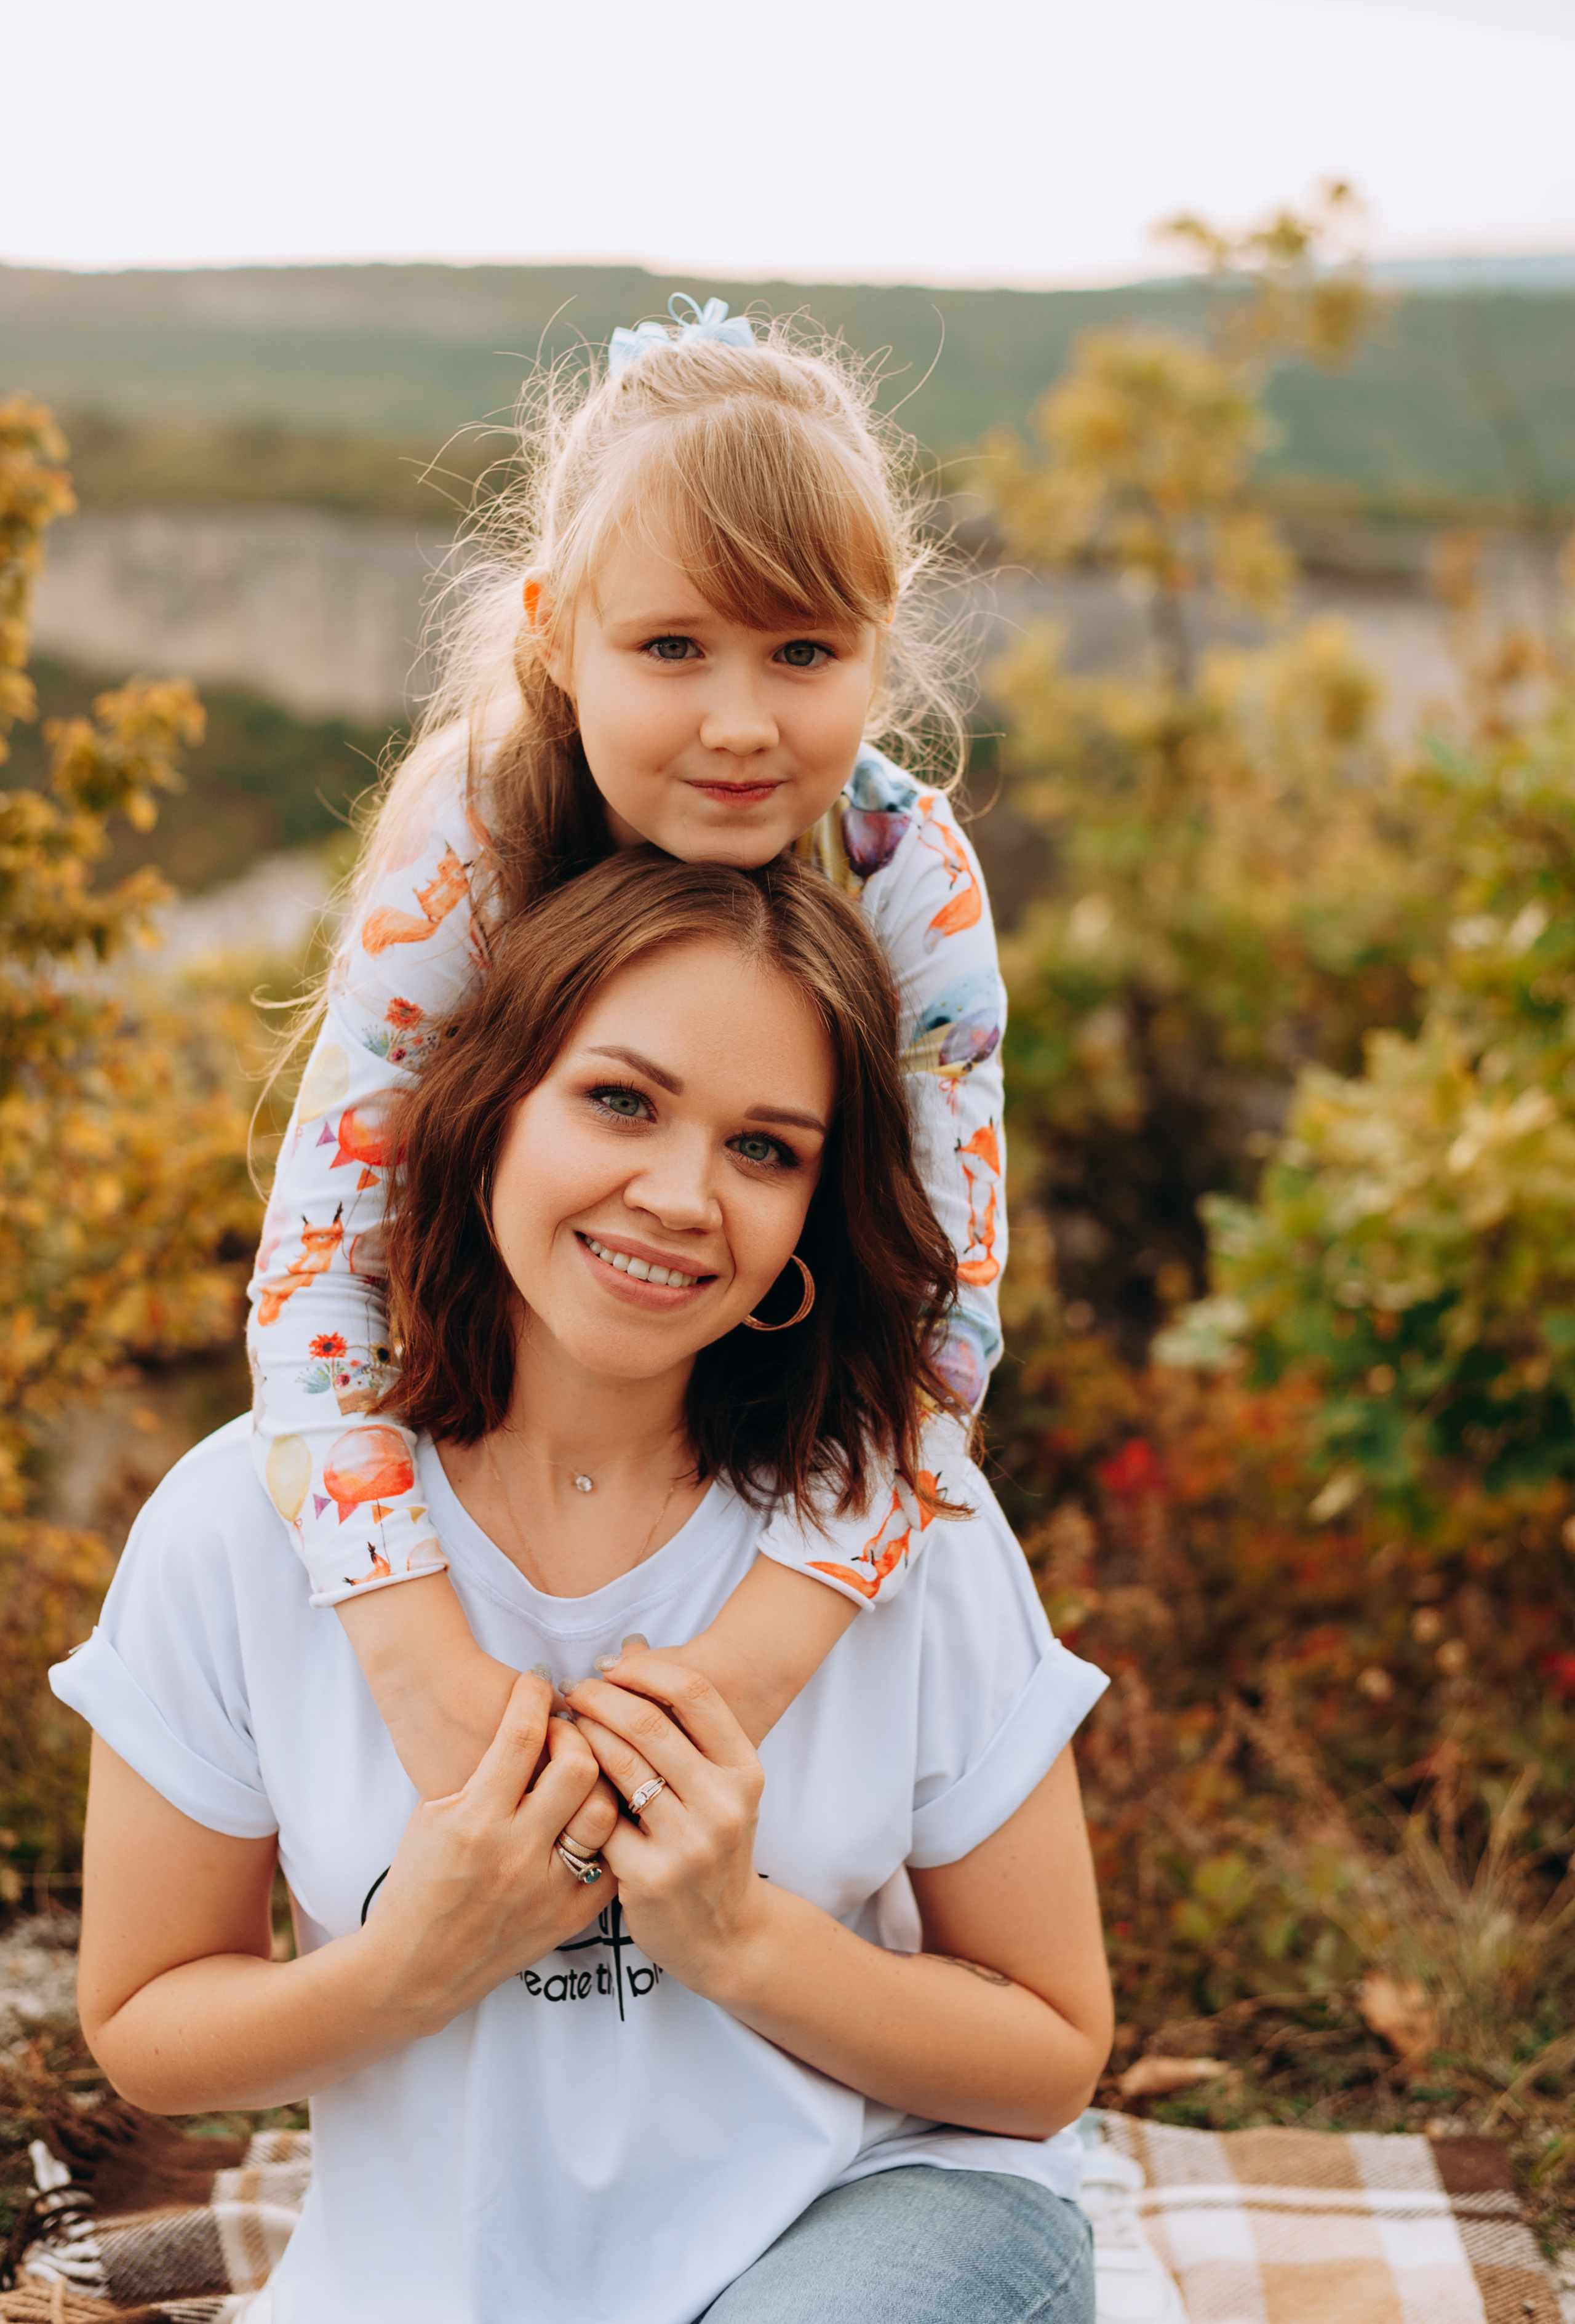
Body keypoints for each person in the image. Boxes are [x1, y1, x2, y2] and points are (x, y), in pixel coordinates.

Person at [57, 853, 1110, 2324]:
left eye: (765, 1149)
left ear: (814, 1209)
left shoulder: (900, 1529)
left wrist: (741, 1937)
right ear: (488, 1104)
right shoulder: (243, 1525)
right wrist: (418, 1959)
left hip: (883, 2224)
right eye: (619, 1099)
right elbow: (150, 2022)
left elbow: (1049, 2049)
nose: (681, 1195)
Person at [245, 295, 1009, 1809]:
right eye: (672, 645)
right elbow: (320, 1257)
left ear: (877, 645)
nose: (740, 721)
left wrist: (765, 1652)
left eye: (803, 649)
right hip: (480, 1420)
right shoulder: (474, 830)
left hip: (786, 1440)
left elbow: (944, 1307)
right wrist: (415, 1651)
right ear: (554, 632)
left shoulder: (901, 862)